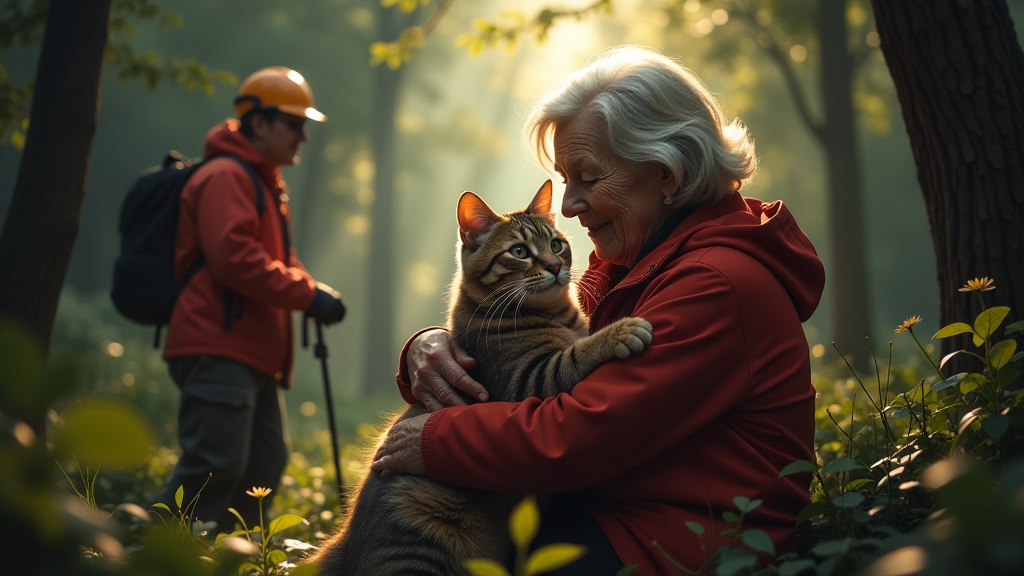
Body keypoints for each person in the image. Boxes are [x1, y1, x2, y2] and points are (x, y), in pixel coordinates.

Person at [371, 47, 826, 574]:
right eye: (565, 179)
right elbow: (520, 354)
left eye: (587, 177)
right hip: (611, 509)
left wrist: (434, 439)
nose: (568, 206)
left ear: (667, 174)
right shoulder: (631, 262)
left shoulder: (715, 283)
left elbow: (579, 436)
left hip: (678, 540)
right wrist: (428, 347)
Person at [156, 66, 346, 531]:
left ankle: (222, 558)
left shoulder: (263, 183)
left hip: (249, 353)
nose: (303, 137)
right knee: (213, 467)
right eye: (295, 124)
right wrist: (308, 296)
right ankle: (144, 554)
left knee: (262, 468)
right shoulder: (226, 176)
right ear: (259, 122)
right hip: (217, 346)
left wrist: (313, 290)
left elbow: (278, 257)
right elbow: (234, 258)